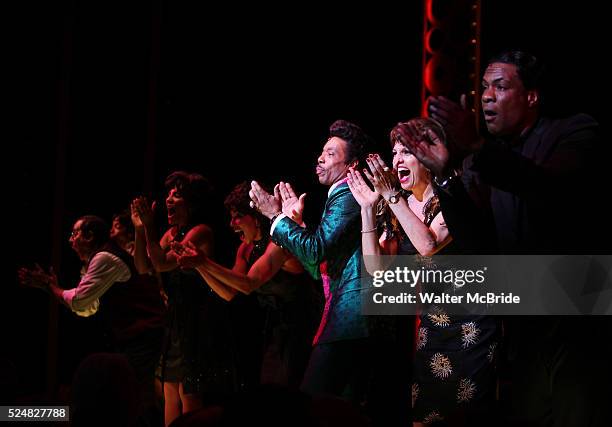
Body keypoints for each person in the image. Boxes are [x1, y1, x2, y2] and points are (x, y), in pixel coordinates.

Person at [404, 50, 610, 426]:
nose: (486, 97)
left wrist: (480, 149)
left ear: (531, 97)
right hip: (524, 328)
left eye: (500, 87)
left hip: (579, 314)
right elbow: (477, 247)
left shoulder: (575, 132)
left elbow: (550, 189)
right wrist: (446, 174)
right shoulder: (481, 163)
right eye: (483, 88)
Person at [249, 120, 409, 426]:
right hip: (353, 320)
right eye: (321, 152)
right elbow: (316, 265)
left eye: (331, 153)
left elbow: (315, 250)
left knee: (312, 406)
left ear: (351, 164)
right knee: (342, 414)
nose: (320, 158)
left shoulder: (348, 194)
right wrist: (293, 224)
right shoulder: (340, 196)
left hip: (353, 319)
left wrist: (276, 217)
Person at [347, 117, 499, 426]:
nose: (397, 159)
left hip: (472, 325)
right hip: (432, 328)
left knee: (466, 417)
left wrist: (391, 198)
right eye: (394, 152)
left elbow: (428, 244)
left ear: (429, 157)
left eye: (406, 152)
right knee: (426, 417)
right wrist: (367, 211)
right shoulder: (398, 206)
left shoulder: (452, 195)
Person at [18, 215, 165, 424]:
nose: (70, 240)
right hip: (134, 335)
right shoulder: (95, 261)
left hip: (144, 333)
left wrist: (51, 287)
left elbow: (79, 301)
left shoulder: (105, 258)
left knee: (137, 395)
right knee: (135, 394)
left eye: (74, 234)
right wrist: (53, 288)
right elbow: (87, 308)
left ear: (89, 237)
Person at [172, 181, 319, 389]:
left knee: (293, 390)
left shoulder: (278, 242)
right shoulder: (245, 249)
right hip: (275, 329)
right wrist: (198, 266)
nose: (232, 224)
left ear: (256, 217)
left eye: (237, 216)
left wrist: (203, 261)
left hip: (302, 326)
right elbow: (230, 292)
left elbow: (249, 284)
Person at [132, 171, 235, 427]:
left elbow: (162, 263)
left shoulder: (200, 231)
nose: (168, 198)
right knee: (169, 391)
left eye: (175, 195)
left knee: (188, 392)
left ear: (191, 202)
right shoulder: (171, 234)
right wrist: (139, 229)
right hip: (175, 322)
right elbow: (144, 267)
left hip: (196, 321)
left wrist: (149, 225)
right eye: (168, 193)